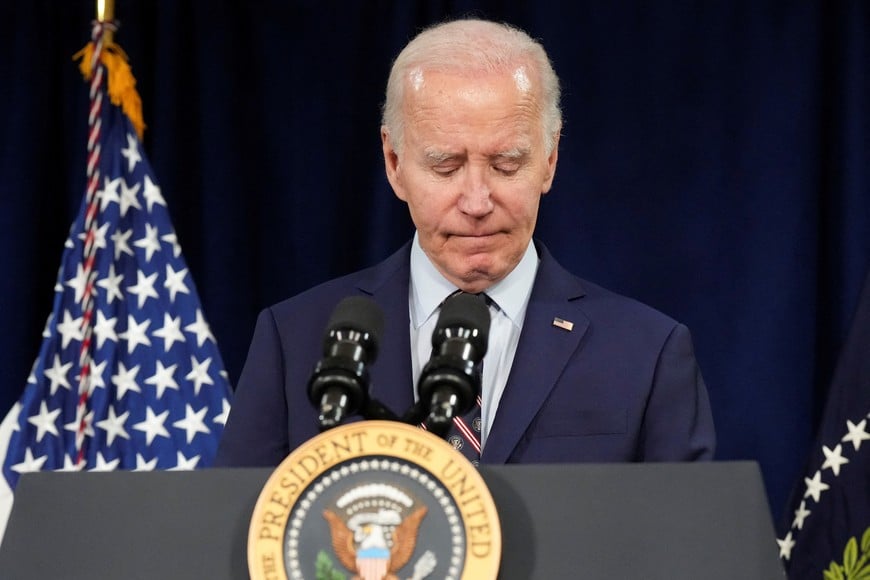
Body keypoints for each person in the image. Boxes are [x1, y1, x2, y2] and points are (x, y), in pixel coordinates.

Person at [214, 18, 715, 467]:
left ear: (550, 159)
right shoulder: (294, 339)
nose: (477, 201)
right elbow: (237, 542)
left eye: (506, 164)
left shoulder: (647, 352)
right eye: (445, 166)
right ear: (393, 163)